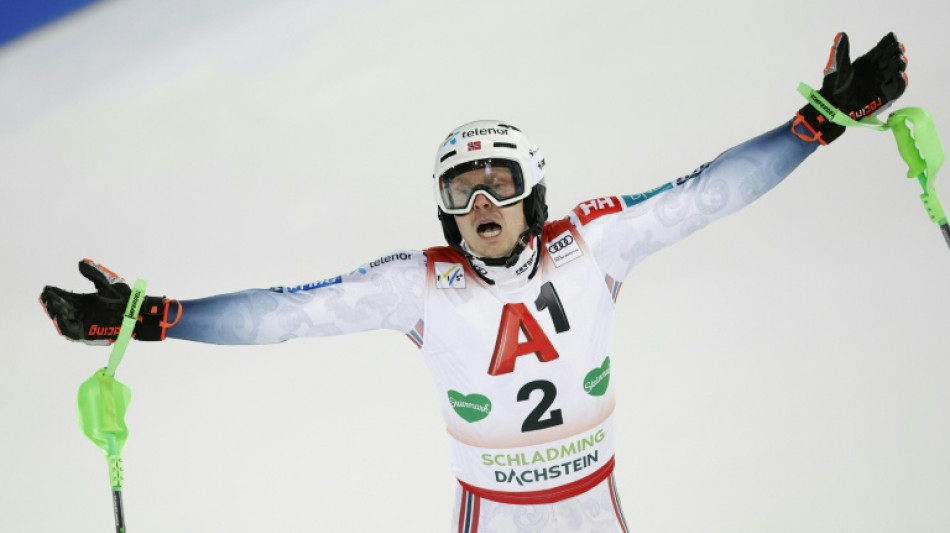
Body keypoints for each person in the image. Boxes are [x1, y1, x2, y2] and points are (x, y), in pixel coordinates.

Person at [40, 32, 908, 532]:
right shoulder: (420, 285)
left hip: (589, 506)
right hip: (492, 513)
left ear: (533, 193)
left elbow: (709, 194)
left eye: (497, 182)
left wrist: (815, 125)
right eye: (460, 190)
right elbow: (285, 316)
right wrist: (158, 318)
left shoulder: (593, 243)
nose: (480, 202)